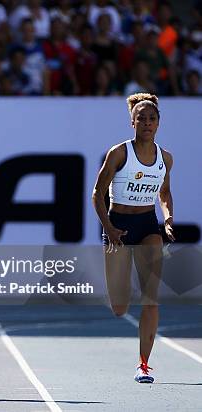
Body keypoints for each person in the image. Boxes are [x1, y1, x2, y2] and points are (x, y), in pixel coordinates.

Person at [92, 93, 174, 383]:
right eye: (142, 118)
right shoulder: (119, 153)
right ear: (133, 122)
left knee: (152, 298)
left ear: (159, 123)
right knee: (120, 307)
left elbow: (164, 195)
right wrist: (109, 229)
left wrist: (167, 218)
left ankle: (143, 364)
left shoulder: (165, 158)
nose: (147, 123)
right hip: (118, 226)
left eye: (152, 119)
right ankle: (124, 286)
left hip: (148, 226)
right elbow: (96, 194)